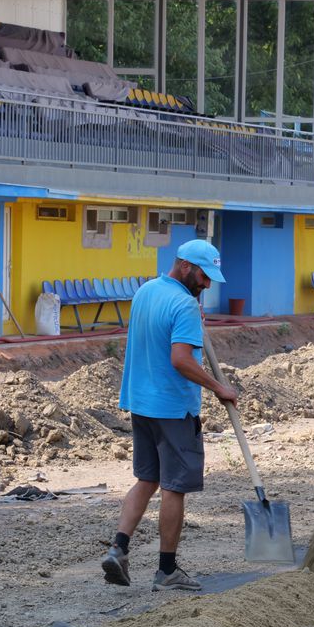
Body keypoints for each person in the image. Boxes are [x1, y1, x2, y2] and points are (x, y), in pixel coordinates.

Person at [101, 239, 237, 591]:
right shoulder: (184, 306)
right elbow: (181, 359)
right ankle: (167, 569)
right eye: (205, 276)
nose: (207, 285)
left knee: (147, 479)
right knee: (174, 487)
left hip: (141, 403)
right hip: (174, 409)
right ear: (186, 266)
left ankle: (119, 548)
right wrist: (219, 388)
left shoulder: (146, 291)